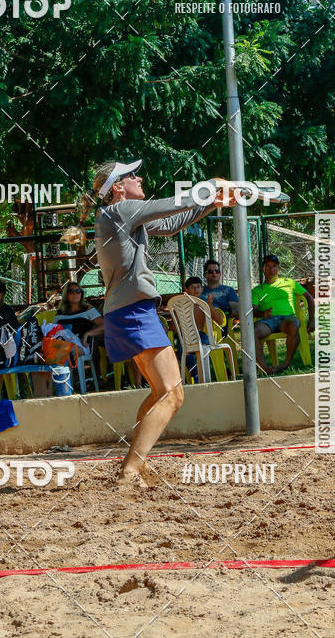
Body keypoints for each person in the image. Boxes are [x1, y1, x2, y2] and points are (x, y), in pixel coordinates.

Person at [81, 159, 237, 486]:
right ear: (117, 187)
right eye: (131, 175)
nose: (138, 177)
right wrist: (213, 184)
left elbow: (172, 223)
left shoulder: (119, 216)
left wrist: (213, 201)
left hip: (128, 312)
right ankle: (130, 470)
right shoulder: (120, 211)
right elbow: (175, 203)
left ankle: (133, 464)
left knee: (159, 393)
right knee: (172, 395)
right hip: (133, 312)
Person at [252, 254, 315, 374]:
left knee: (294, 323)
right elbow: (252, 311)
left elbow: (309, 298)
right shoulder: (257, 290)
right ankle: (265, 368)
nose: (271, 269)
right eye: (267, 266)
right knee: (252, 332)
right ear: (262, 269)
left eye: (274, 266)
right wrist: (262, 313)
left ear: (279, 269)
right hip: (268, 321)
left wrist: (312, 319)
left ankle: (286, 363)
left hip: (287, 319)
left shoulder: (289, 283)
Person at [55, 282, 104, 354]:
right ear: (66, 295)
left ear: (81, 294)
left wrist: (87, 334)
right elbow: (53, 329)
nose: (75, 293)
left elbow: (104, 325)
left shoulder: (88, 309)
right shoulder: (60, 312)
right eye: (71, 291)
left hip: (81, 344)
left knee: (66, 350)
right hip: (61, 343)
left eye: (78, 291)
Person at [200, 259, 239, 331]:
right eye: (210, 271)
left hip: (220, 326)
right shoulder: (199, 291)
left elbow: (236, 310)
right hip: (201, 323)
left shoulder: (228, 290)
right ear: (204, 275)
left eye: (217, 271)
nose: (214, 273)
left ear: (220, 274)